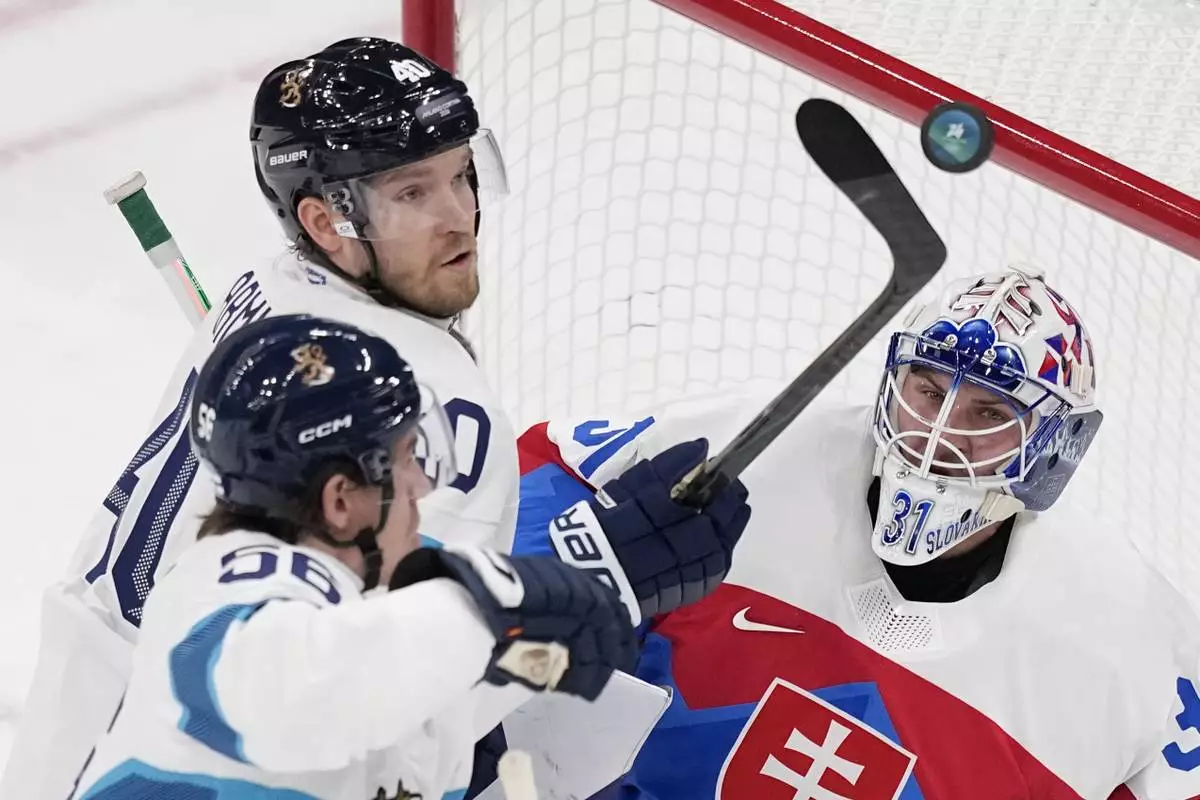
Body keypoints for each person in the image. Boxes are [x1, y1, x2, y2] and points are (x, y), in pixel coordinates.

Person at [3, 37, 751, 799]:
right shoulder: (420, 399)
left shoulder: (272, 294)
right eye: (413, 193)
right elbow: (394, 698)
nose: (461, 217)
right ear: (327, 222)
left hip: (87, 723)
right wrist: (607, 573)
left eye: (464, 176)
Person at [511, 264, 1200, 799]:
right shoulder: (740, 449)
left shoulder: (1130, 642)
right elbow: (513, 496)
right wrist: (582, 566)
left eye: (990, 415)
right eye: (928, 392)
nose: (938, 437)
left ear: (1057, 447)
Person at [71, 313, 644, 799]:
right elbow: (301, 694)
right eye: (406, 457)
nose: (422, 484)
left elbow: (399, 715)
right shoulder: (217, 591)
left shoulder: (355, 631)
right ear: (342, 500)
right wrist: (476, 603)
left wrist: (525, 652)